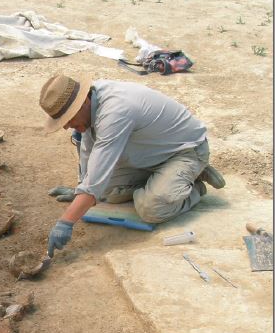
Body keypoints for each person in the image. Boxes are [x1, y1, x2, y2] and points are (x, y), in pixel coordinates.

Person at [39, 72, 225, 256]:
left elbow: (94, 182)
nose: (66, 126)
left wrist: (66, 221)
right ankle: (170, 179)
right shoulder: (92, 101)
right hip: (152, 151)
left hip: (186, 150)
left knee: (151, 209)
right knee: (104, 193)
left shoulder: (116, 111)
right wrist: (80, 188)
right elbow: (89, 153)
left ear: (83, 103)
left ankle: (194, 184)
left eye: (69, 118)